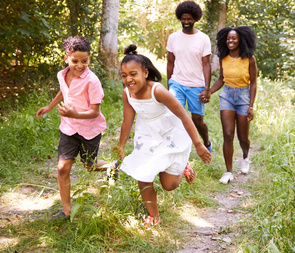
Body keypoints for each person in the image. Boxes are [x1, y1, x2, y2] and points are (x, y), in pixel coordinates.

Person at [114, 44, 212, 226]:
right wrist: (120, 145)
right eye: (124, 75)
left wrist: (199, 145)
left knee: (169, 185)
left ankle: (183, 165)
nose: (128, 79)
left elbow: (184, 116)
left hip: (170, 135)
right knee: (143, 175)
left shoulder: (157, 90)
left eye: (133, 74)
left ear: (145, 72)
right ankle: (154, 215)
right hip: (147, 136)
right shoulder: (127, 94)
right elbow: (127, 122)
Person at [36, 36, 107, 220]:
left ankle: (111, 166)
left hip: (89, 130)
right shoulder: (62, 74)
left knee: (89, 166)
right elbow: (64, 90)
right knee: (62, 168)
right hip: (68, 128)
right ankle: (66, 211)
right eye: (75, 61)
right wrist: (50, 107)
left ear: (89, 58)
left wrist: (74, 114)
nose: (80, 65)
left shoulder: (92, 81)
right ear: (67, 57)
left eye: (84, 61)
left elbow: (94, 112)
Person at [209, 26, 257, 184]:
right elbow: (221, 79)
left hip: (243, 97)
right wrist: (209, 92)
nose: (230, 41)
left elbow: (253, 83)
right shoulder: (224, 58)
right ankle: (228, 172)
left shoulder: (249, 58)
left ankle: (245, 157)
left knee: (243, 137)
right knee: (228, 134)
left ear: (241, 40)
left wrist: (251, 106)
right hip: (227, 96)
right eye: (228, 38)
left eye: (234, 38)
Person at [166, 0, 212, 152]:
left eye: (189, 19)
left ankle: (206, 143)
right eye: (183, 19)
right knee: (175, 117)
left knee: (198, 121)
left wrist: (207, 88)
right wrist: (169, 84)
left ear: (195, 18)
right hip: (177, 83)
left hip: (196, 85)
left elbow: (206, 64)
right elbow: (170, 62)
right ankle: (177, 148)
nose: (186, 22)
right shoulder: (173, 37)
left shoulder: (203, 39)